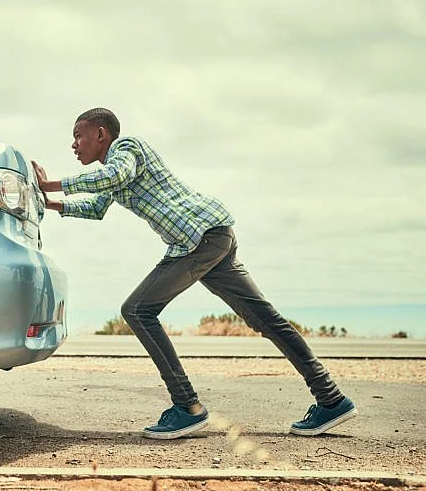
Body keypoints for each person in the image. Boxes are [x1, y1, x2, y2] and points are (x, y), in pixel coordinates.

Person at [32, 107, 357, 440]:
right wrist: (46, 200)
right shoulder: (115, 174)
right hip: (212, 235)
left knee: (138, 310)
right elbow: (96, 207)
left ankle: (187, 407)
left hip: (197, 238)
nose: (74, 145)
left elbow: (114, 177)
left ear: (101, 134)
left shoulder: (128, 148)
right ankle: (331, 399)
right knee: (264, 318)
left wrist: (52, 183)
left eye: (77, 135)